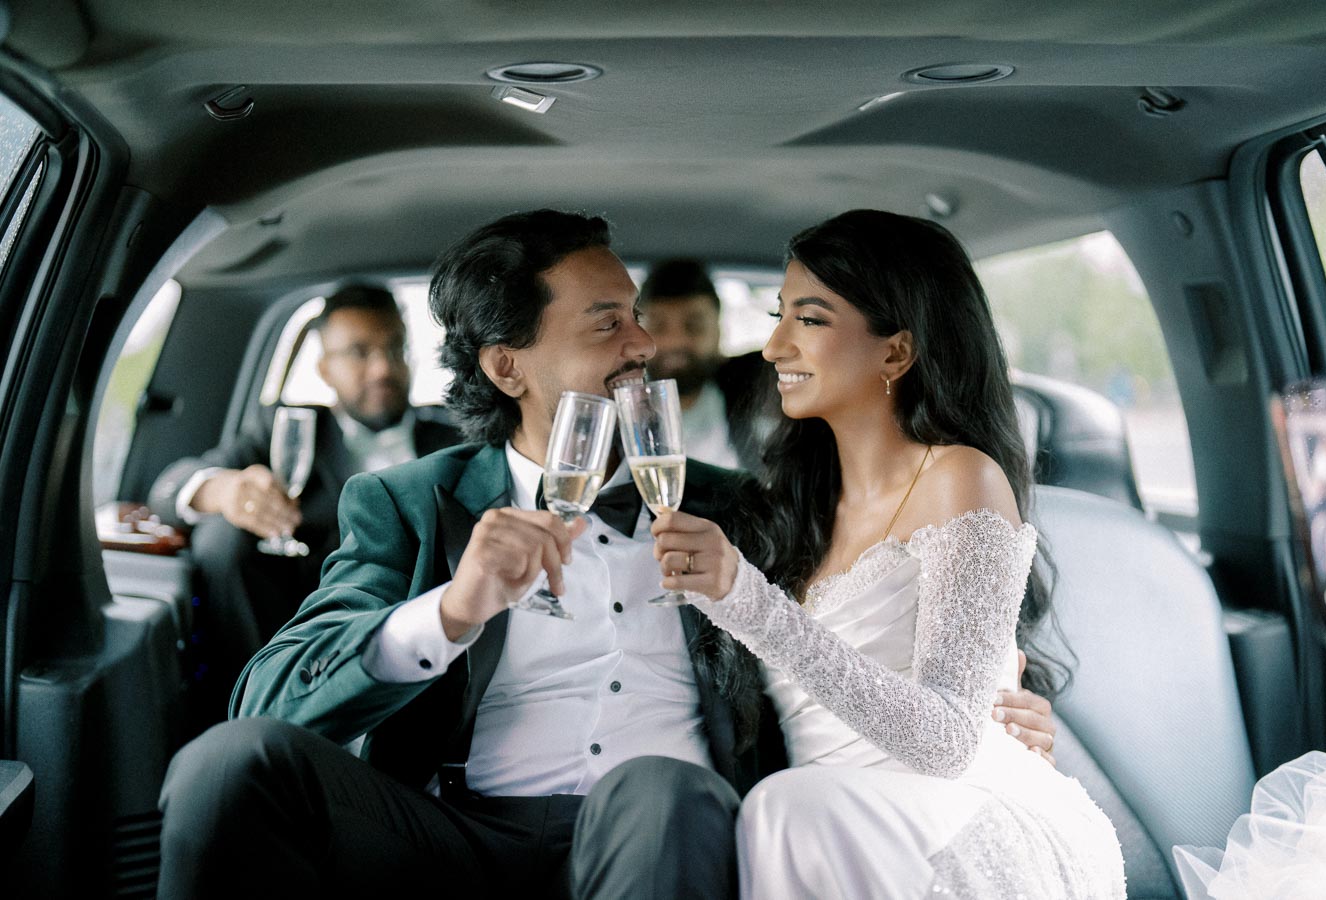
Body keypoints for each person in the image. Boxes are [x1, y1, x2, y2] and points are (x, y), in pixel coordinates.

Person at [155, 210, 1062, 899]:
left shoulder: (738, 507)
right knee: (228, 764)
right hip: (458, 828)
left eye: (637, 317)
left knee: (657, 791)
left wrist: (994, 716)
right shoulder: (405, 501)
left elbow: (879, 608)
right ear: (509, 366)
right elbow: (271, 694)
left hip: (671, 825)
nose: (645, 344)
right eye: (607, 325)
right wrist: (451, 611)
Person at [650, 210, 1125, 897]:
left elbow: (949, 743)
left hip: (958, 825)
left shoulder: (962, 478)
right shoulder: (792, 508)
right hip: (833, 829)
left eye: (808, 320)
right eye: (779, 315)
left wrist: (747, 603)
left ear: (896, 353)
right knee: (787, 808)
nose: (773, 346)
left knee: (785, 809)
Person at [147, 284, 460, 719]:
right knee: (221, 539)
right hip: (319, 642)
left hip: (434, 642)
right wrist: (225, 491)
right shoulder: (287, 430)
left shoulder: (456, 435)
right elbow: (168, 486)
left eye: (395, 349)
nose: (382, 368)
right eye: (359, 352)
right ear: (325, 368)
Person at [640, 259, 774, 470]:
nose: (676, 341)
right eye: (658, 326)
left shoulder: (756, 388)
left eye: (694, 326)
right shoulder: (617, 410)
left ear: (719, 333)